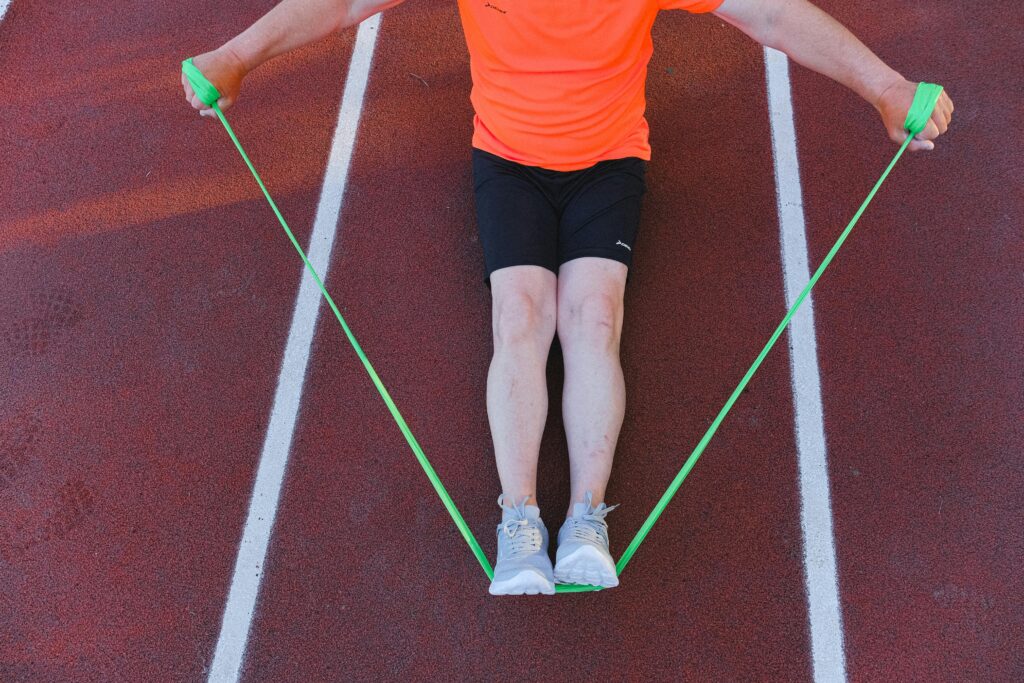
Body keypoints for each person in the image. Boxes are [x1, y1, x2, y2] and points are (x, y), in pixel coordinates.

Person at [183, 0, 953, 596]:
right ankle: (520, 519)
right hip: (507, 160)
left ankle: (587, 518)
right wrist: (237, 55)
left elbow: (772, 13)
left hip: (609, 160)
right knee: (520, 315)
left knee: (595, 316)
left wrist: (886, 87)